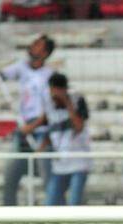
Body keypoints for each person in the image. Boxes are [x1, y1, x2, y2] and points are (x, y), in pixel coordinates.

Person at [0, 35, 54, 206]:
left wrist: (34, 125)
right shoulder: (22, 68)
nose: (32, 46)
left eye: (37, 44)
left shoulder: (49, 75)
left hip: (41, 130)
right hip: (23, 127)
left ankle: (52, 218)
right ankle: (10, 218)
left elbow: (51, 107)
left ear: (45, 52)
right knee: (11, 175)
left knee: (46, 177)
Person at [42, 72, 91, 207]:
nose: (53, 95)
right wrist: (41, 147)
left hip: (78, 163)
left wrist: (67, 102)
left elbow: (79, 126)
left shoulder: (78, 101)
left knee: (74, 207)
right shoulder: (49, 105)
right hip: (59, 166)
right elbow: (49, 127)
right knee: (50, 205)